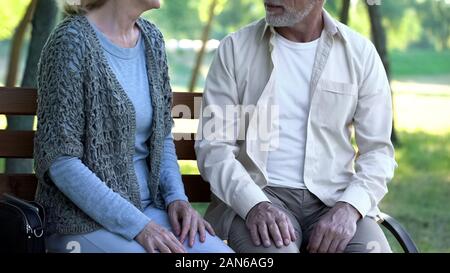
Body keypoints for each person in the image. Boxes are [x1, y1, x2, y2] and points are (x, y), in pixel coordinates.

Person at [195, 0, 397, 253]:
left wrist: (350, 208)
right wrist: (255, 205)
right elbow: (214, 147)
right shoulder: (235, 49)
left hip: (335, 199)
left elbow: (378, 152)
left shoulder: (360, 53)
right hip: (259, 193)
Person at [34, 0, 232, 253]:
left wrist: (176, 198)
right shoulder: (70, 42)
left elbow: (161, 137)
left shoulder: (152, 39)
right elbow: (61, 161)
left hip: (149, 212)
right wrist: (139, 226)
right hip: (81, 221)